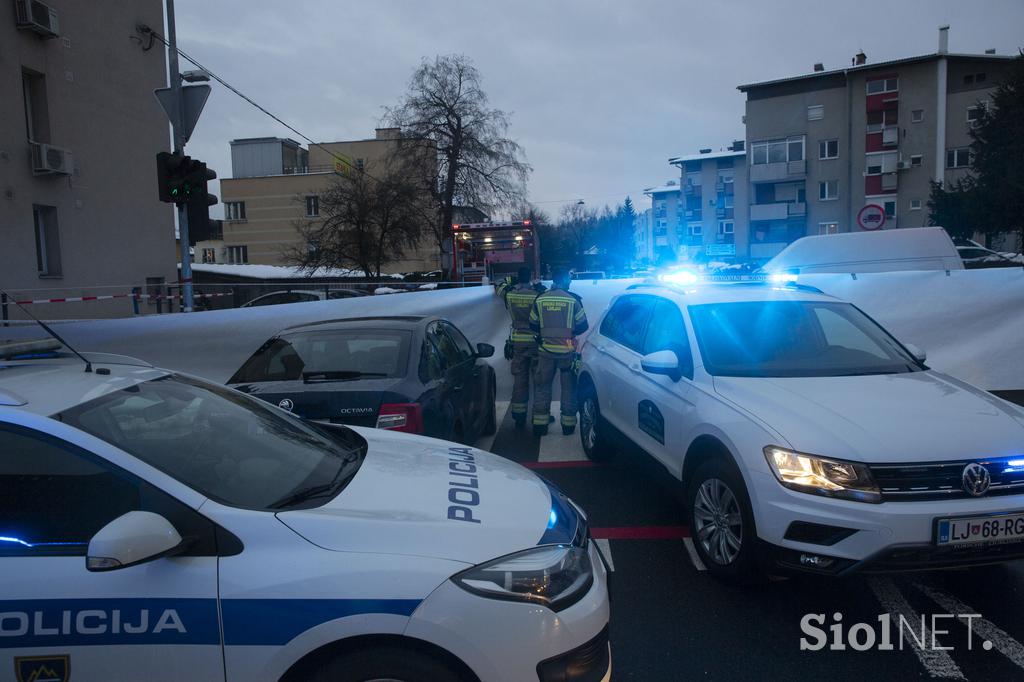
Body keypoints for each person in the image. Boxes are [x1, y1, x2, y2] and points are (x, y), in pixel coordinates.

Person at [529, 266, 588, 437]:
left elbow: (533, 324)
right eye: (568, 279)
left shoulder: (540, 299)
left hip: (545, 352)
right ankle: (568, 426)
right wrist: (570, 334)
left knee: (542, 387)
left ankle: (540, 425)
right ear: (561, 280)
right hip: (566, 353)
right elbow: (583, 325)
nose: (570, 282)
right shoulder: (573, 300)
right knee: (569, 388)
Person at [502, 267, 547, 429]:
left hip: (518, 343)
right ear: (530, 277)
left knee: (520, 380)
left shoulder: (510, 294)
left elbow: (498, 285)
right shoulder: (537, 295)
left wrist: (510, 282)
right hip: (536, 343)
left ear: (518, 277)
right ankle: (540, 418)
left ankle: (519, 416)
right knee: (540, 382)